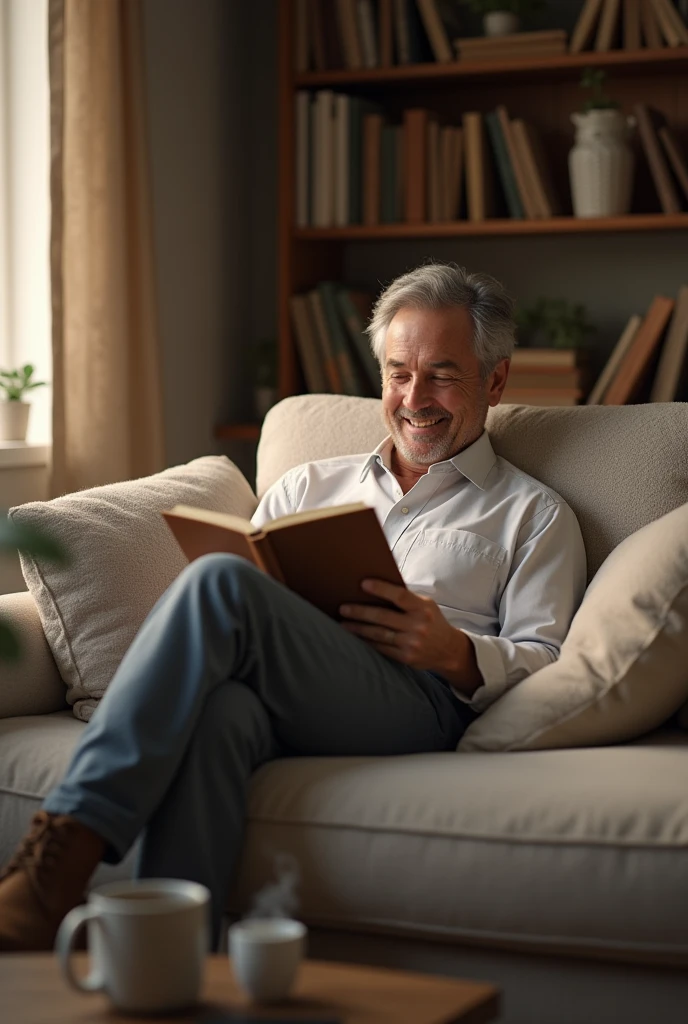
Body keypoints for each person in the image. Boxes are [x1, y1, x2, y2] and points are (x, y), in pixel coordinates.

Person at [0, 263, 586, 952]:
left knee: (221, 582)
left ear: (494, 380)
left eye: (442, 374)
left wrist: (457, 653)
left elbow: (553, 663)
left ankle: (57, 862)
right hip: (292, 690)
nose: (413, 396)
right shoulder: (309, 482)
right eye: (398, 372)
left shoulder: (532, 514)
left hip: (419, 704)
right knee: (222, 713)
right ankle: (168, 959)